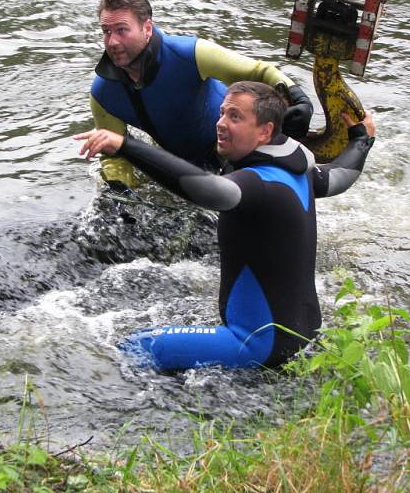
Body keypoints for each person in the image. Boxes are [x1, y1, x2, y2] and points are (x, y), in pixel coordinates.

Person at [76, 81, 375, 370]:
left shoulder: (257, 184)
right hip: (304, 333)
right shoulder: (299, 173)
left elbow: (210, 191)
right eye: (221, 113)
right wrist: (362, 139)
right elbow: (342, 175)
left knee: (134, 348)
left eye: (235, 116)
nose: (220, 122)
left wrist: (126, 146)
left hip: (255, 344)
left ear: (265, 131)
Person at [90, 0, 314, 193]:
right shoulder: (103, 93)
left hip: (237, 153)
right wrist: (120, 189)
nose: (112, 42)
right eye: (106, 32)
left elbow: (259, 71)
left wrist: (298, 97)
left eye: (121, 30)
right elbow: (114, 154)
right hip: (184, 168)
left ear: (147, 28)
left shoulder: (189, 54)